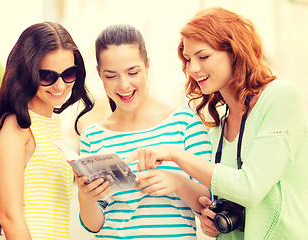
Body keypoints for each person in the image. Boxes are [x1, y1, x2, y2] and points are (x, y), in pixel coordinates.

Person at [126, 7, 308, 240]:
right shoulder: (217, 132)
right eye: (188, 59)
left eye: (203, 56)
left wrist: (175, 154)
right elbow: (226, 200)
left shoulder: (280, 97)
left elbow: (249, 189)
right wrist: (210, 218)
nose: (192, 69)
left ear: (234, 52)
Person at [76, 24, 212, 239]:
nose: (124, 85)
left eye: (133, 72)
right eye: (111, 76)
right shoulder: (93, 136)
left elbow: (209, 201)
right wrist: (85, 197)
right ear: (99, 74)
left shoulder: (185, 123)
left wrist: (176, 182)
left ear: (147, 66)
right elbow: (95, 225)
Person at [0, 22, 94, 240]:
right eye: (47, 76)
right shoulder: (16, 125)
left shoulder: (50, 128)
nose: (60, 86)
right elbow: (10, 216)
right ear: (26, 72)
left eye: (69, 73)